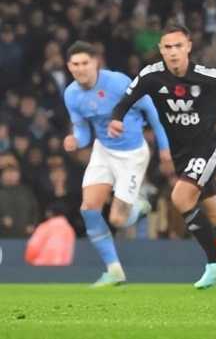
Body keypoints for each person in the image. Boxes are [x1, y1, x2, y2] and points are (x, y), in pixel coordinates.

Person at [109, 24, 216, 291]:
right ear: (161, 50)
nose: (173, 52)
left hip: (208, 148)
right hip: (182, 156)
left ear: (188, 47)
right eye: (168, 47)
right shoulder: (151, 76)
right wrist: (117, 119)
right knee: (215, 219)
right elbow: (125, 100)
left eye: (178, 46)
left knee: (180, 197)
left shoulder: (203, 75)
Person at [63, 41, 171, 286]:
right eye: (75, 64)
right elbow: (83, 131)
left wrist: (164, 146)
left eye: (85, 63)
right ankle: (114, 270)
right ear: (69, 66)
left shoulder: (117, 83)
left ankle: (141, 205)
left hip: (132, 154)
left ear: (96, 63)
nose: (80, 68)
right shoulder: (71, 94)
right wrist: (75, 140)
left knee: (118, 221)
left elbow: (151, 110)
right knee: (89, 209)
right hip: (103, 151)